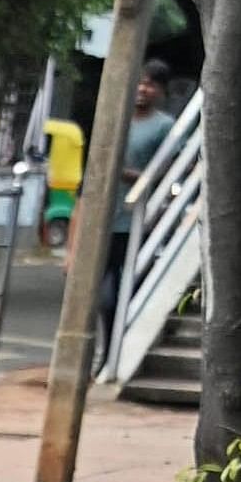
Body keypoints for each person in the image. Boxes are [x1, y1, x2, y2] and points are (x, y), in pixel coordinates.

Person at [95, 59, 178, 378]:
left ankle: (119, 355)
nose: (143, 89)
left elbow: (168, 172)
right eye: (140, 82)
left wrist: (129, 175)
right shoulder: (118, 120)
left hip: (137, 223)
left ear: (161, 91)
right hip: (105, 219)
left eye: (151, 84)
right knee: (102, 296)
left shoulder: (164, 127)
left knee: (122, 293)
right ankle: (104, 355)